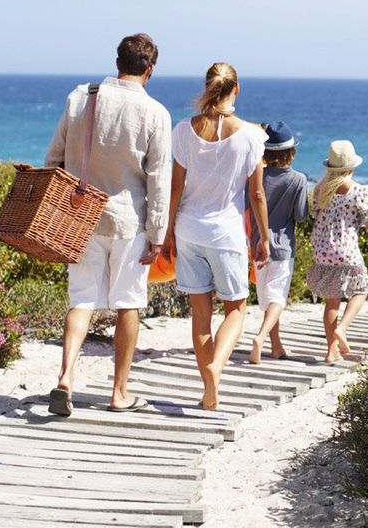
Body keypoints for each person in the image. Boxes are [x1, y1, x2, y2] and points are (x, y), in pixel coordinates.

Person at [44, 33, 172, 416]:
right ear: (150, 70)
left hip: (80, 219)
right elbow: (159, 180)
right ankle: (119, 393)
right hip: (129, 222)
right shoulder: (155, 113)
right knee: (128, 303)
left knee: (81, 299)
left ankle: (66, 376)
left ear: (117, 63)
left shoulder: (80, 98)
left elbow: (53, 158)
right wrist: (158, 235)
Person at [162, 62, 269, 410]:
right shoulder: (252, 136)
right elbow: (256, 195)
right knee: (236, 309)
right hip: (225, 234)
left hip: (188, 229)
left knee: (200, 315)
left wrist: (167, 232)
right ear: (236, 88)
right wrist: (264, 237)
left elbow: (175, 188)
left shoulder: (184, 130)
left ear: (208, 85)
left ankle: (209, 390)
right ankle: (216, 368)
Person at [307, 140, 368, 363]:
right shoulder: (358, 191)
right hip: (346, 251)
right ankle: (342, 328)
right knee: (361, 290)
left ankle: (331, 352)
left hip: (322, 251)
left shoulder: (320, 190)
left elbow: (315, 215)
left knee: (331, 301)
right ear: (351, 166)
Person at [247, 121, 308, 364]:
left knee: (267, 299)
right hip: (283, 247)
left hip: (256, 244)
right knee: (278, 298)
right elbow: (301, 215)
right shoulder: (298, 179)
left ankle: (276, 346)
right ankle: (261, 338)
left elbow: (248, 205)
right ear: (291, 152)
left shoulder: (255, 177)